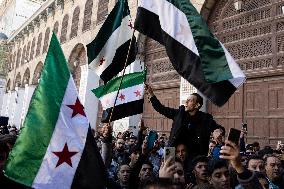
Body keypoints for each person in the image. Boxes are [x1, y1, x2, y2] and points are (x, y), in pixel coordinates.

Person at [145, 84, 220, 160]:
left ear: (197, 105)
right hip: (172, 152)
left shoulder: (205, 118)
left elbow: (218, 128)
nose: (186, 102)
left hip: (194, 156)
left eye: (190, 100)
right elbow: (160, 108)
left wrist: (217, 131)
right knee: (168, 169)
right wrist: (151, 94)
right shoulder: (178, 114)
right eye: (186, 100)